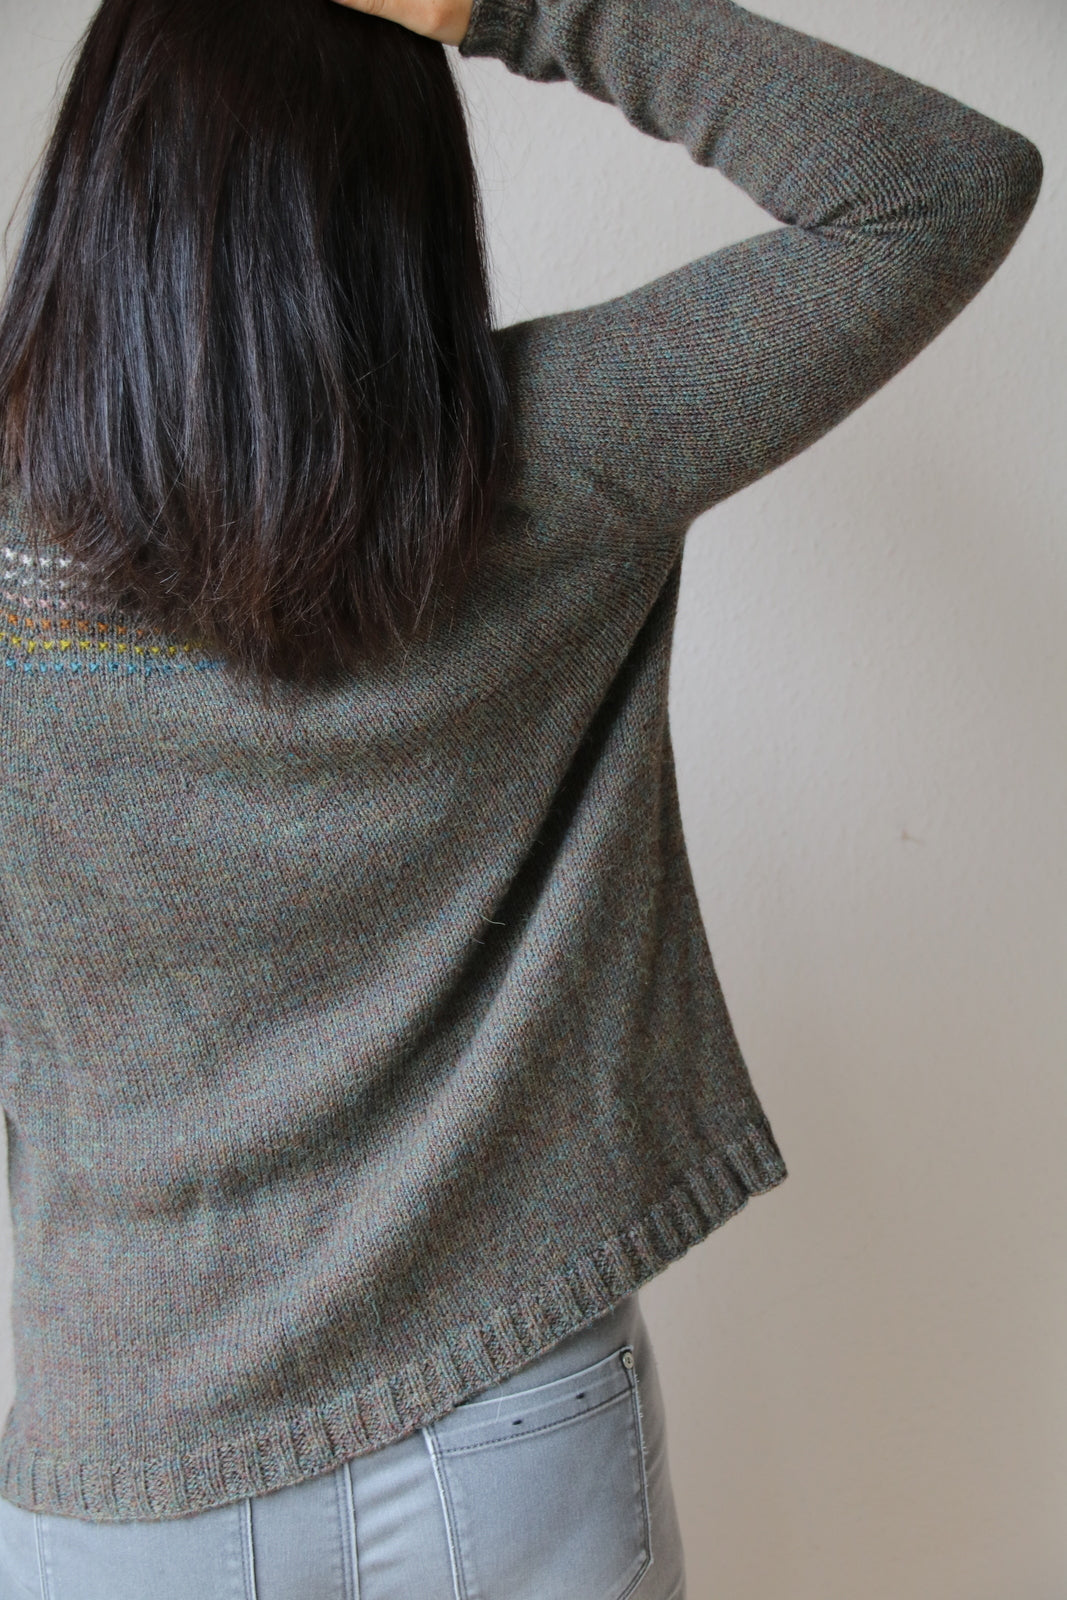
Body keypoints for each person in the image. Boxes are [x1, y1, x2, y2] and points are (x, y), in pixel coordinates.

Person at [0, 0, 1042, 1594]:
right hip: (502, 1429)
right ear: (403, 194)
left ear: (104, 176)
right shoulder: (545, 456)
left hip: (130, 1476)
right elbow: (936, 189)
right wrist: (517, 6)